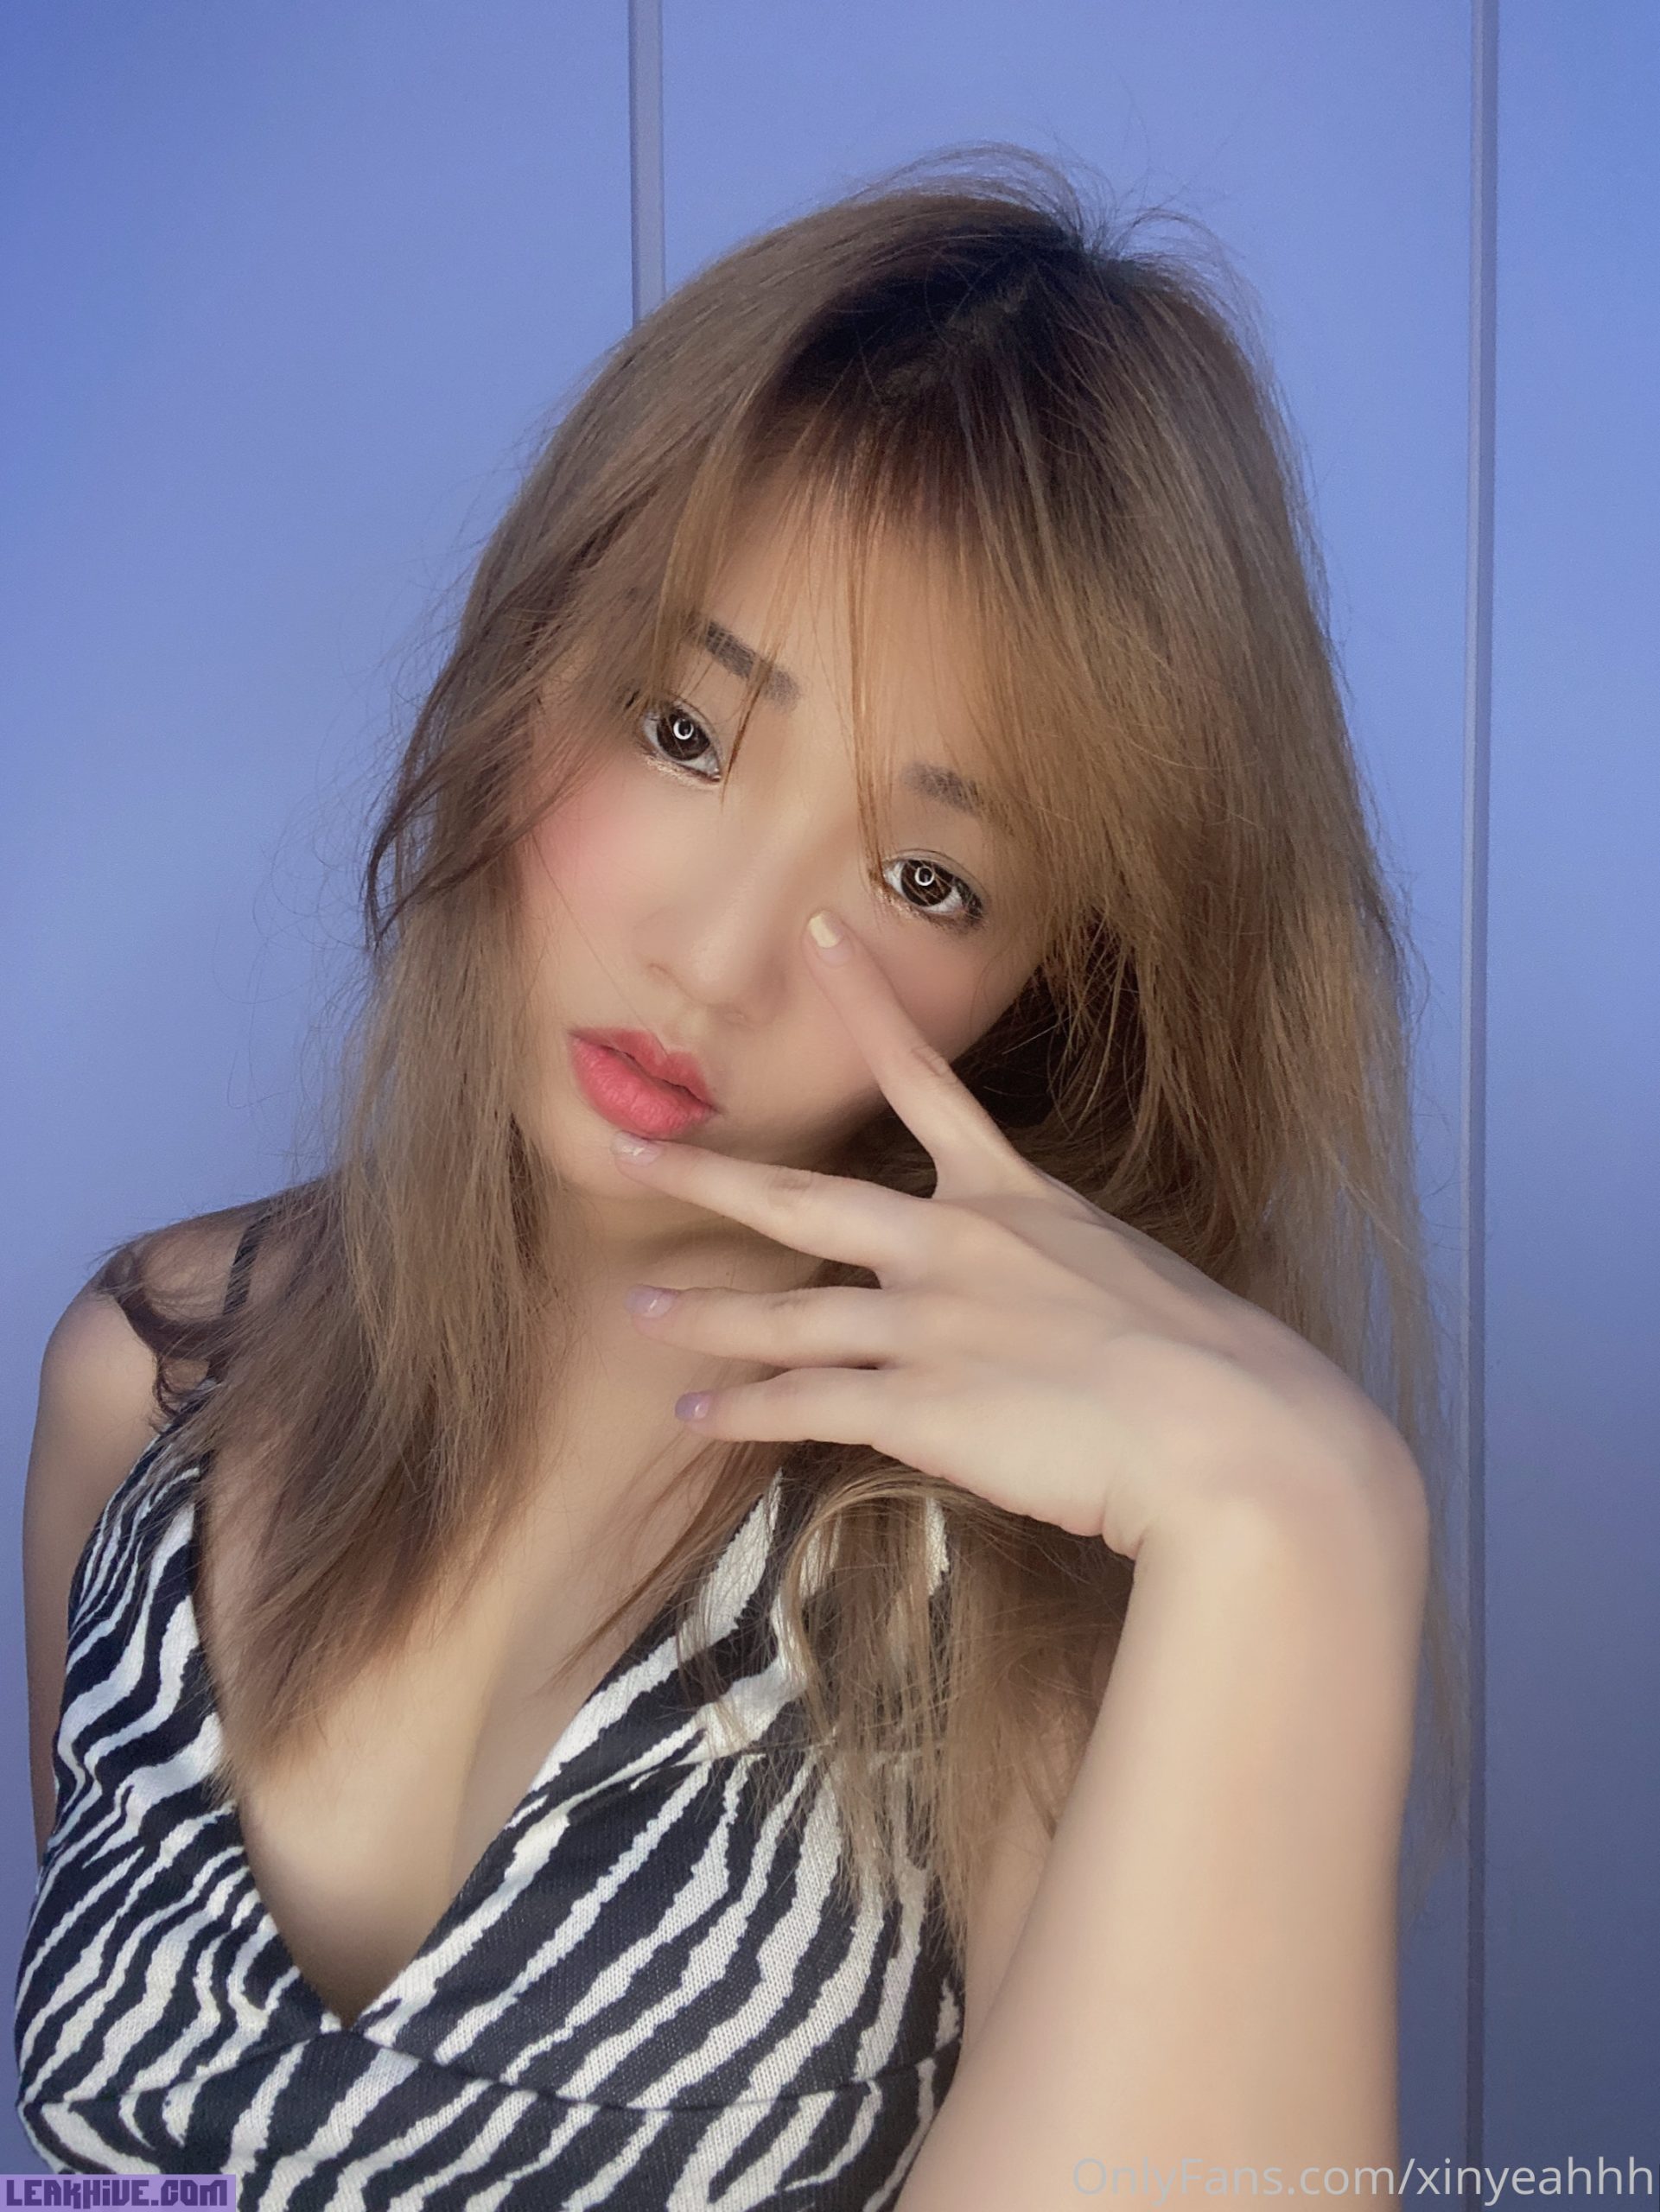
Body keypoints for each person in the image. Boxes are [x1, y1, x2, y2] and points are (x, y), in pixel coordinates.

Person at [15, 149, 1460, 2208]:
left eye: (926, 875)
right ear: (534, 660)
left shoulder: (1025, 1621)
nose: (712, 954)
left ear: (1053, 988)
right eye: (684, 734)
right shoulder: (151, 1382)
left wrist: (1308, 1518)